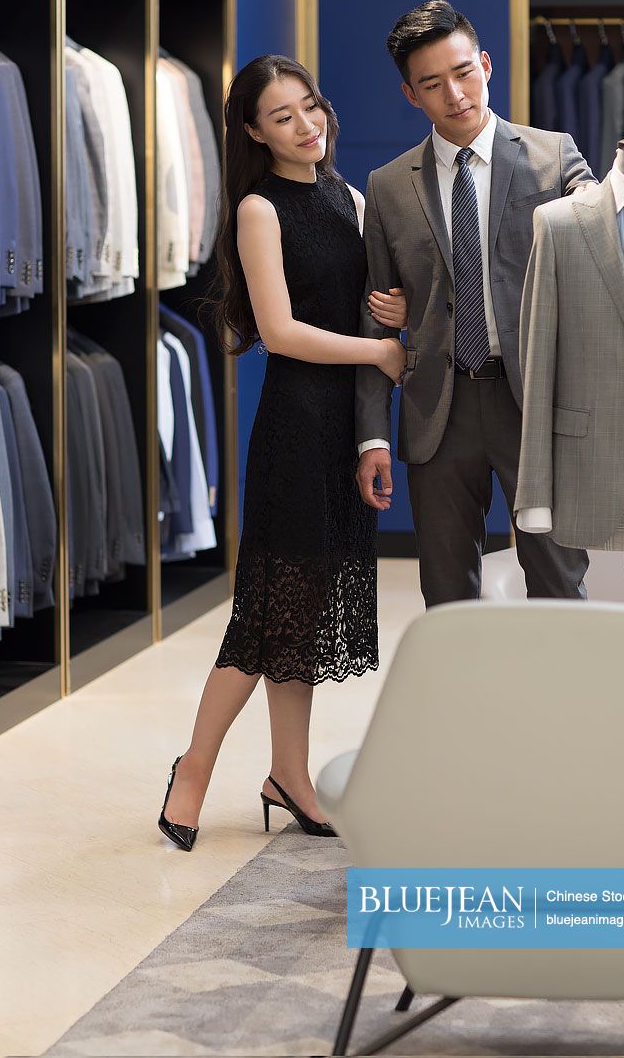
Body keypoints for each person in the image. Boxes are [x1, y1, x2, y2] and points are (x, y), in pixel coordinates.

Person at [158, 54, 407, 851]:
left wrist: (389, 314)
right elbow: (280, 332)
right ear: (253, 131)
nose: (308, 126)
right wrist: (376, 354)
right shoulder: (259, 209)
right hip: (296, 425)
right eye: (284, 116)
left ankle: (287, 775)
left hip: (342, 429)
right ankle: (193, 769)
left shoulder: (350, 198)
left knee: (299, 616)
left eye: (311, 108)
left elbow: (367, 309)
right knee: (267, 616)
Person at [355, 0, 593, 606]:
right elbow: (373, 317)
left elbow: (599, 257)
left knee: (559, 581)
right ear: (412, 95)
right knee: (445, 593)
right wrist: (372, 437)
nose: (455, 95)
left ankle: (565, 704)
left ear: (485, 64)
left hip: (534, 403)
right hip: (440, 406)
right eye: (432, 84)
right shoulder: (387, 186)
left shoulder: (553, 155)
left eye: (463, 72)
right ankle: (464, 704)